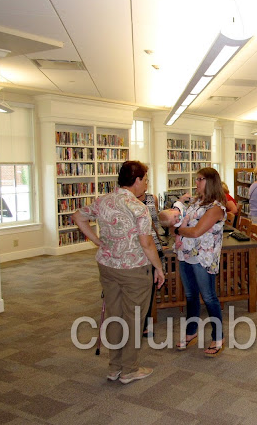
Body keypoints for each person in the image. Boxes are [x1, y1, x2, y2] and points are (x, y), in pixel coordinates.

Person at [73, 161, 165, 385]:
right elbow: (147, 244)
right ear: (136, 180)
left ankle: (114, 367)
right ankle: (129, 369)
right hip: (134, 269)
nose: (146, 184)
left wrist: (98, 241)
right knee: (134, 318)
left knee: (114, 316)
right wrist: (159, 268)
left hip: (107, 266)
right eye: (145, 180)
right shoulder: (138, 207)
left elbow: (78, 216)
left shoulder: (104, 201)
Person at [172, 167, 227, 357]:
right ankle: (191, 331)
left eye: (200, 179)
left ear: (210, 181)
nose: (196, 182)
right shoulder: (196, 202)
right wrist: (179, 228)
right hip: (186, 254)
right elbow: (180, 222)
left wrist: (178, 230)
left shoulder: (216, 208)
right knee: (190, 296)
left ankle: (218, 337)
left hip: (203, 258)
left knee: (209, 296)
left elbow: (196, 231)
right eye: (196, 179)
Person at [138, 190, 165, 337]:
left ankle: (145, 324)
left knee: (150, 285)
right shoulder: (125, 200)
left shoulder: (150, 198)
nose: (146, 183)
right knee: (136, 286)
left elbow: (155, 222)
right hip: (134, 248)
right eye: (144, 180)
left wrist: (160, 240)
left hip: (152, 244)